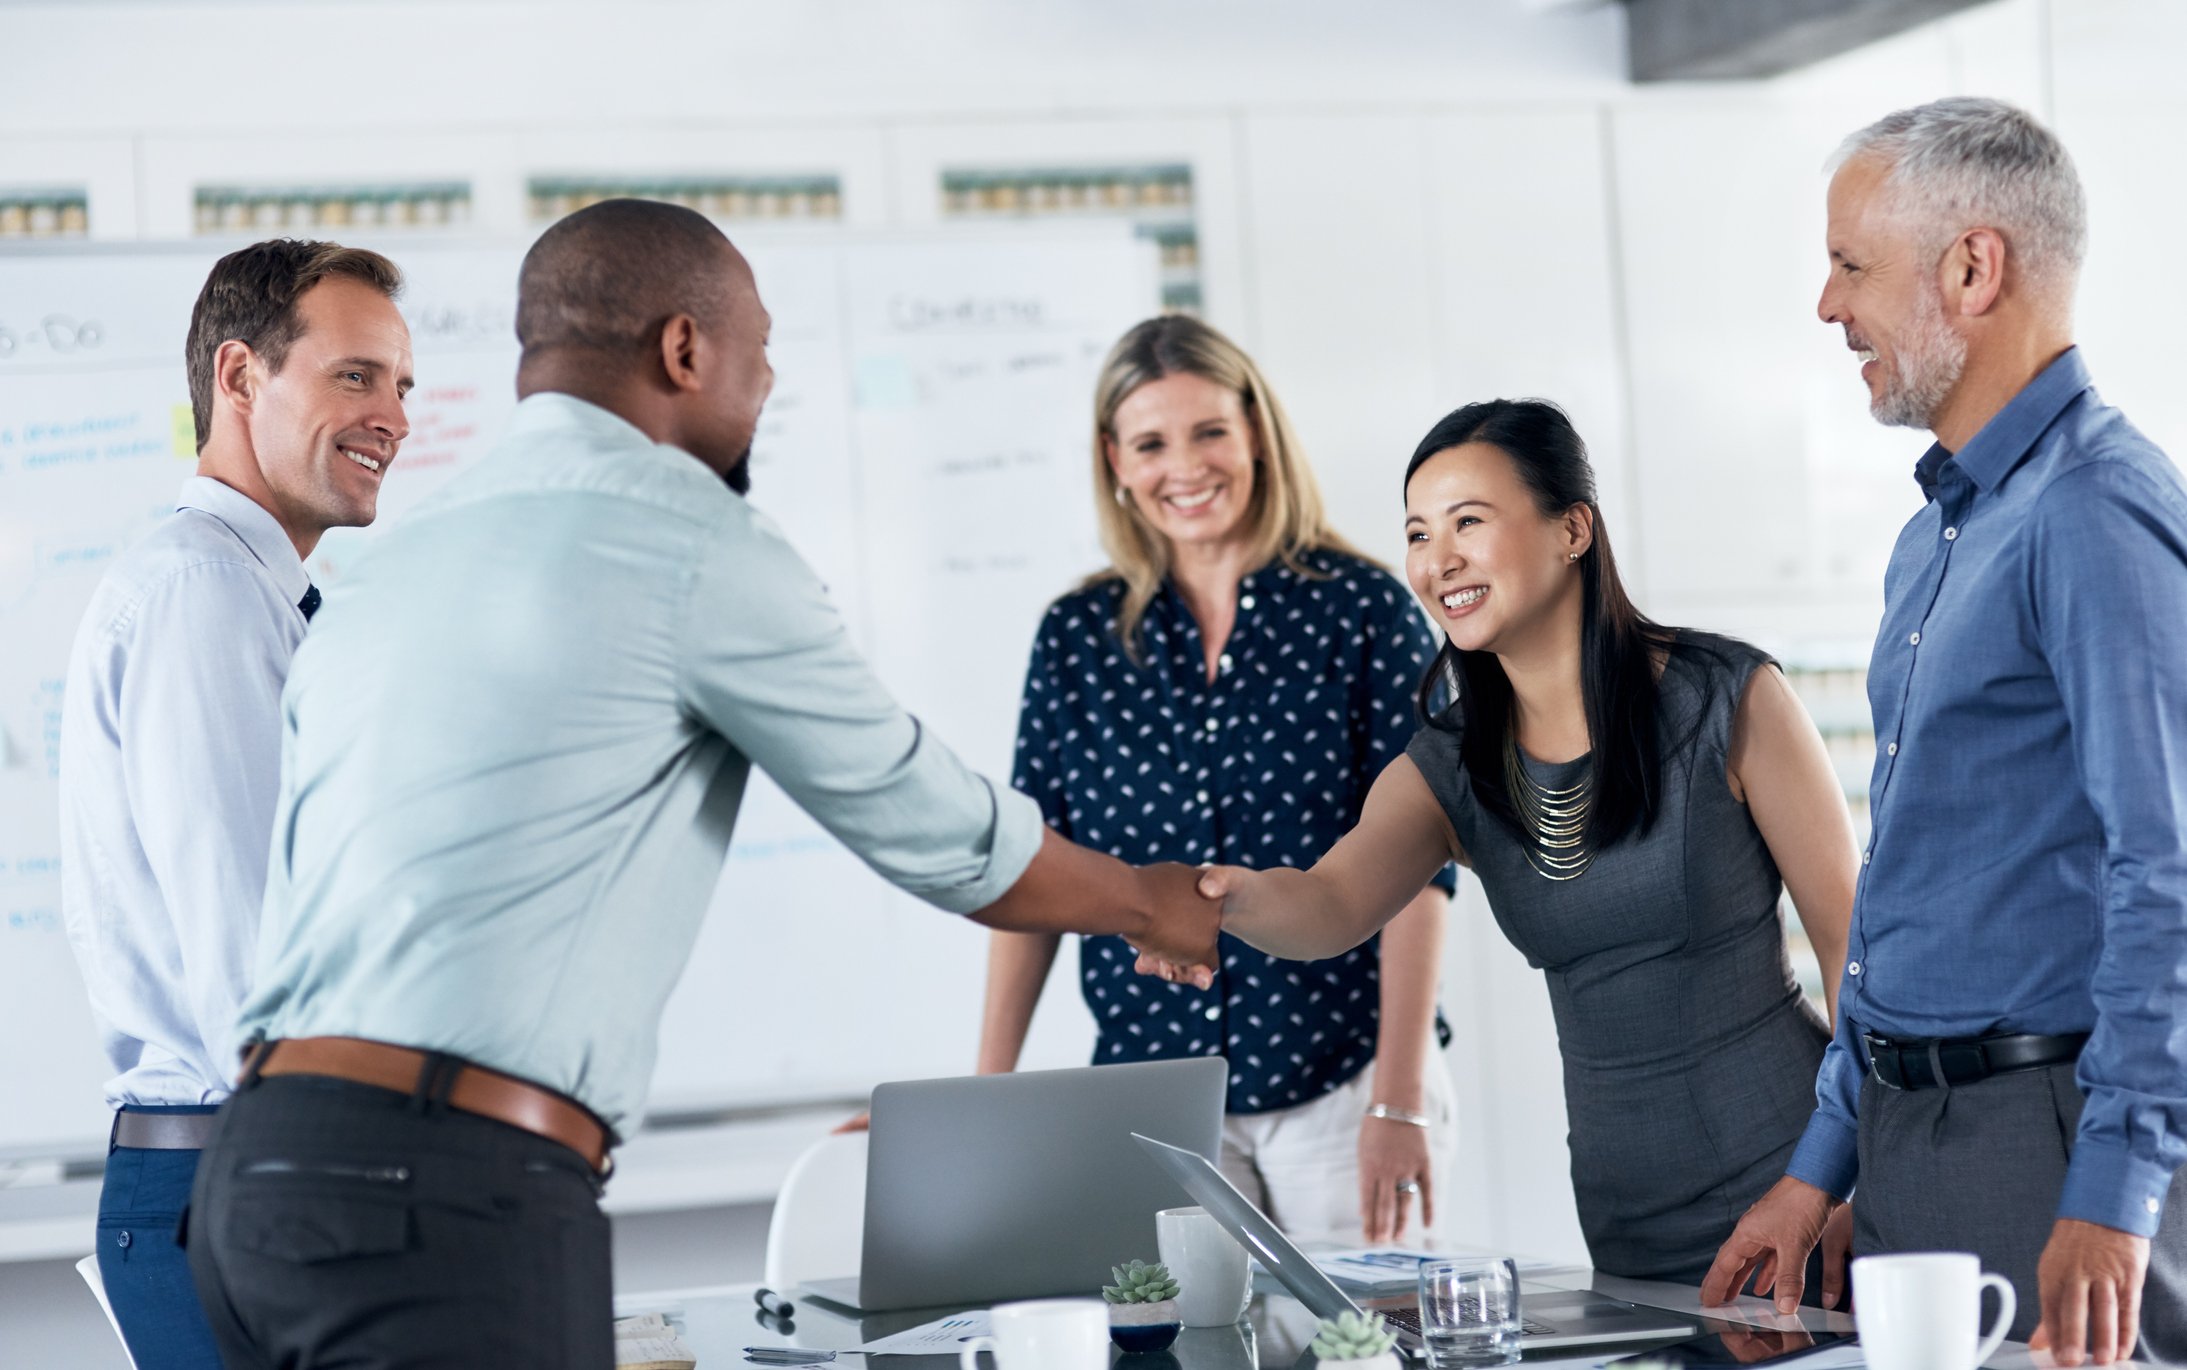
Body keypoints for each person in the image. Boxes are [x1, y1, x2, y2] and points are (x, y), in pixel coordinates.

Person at [180, 200, 1222, 1370]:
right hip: (440, 1193)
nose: (764, 385)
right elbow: (942, 833)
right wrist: (1150, 900)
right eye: (761, 352)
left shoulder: (400, 558)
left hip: (251, 1182)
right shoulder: (683, 535)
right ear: (685, 349)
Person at [1149, 397, 1858, 1290]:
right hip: (1623, 1211)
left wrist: (1838, 1176)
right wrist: (1218, 899)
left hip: (1794, 1181)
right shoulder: (1447, 766)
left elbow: (1851, 951)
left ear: (1571, 530)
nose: (1436, 560)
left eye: (1468, 523)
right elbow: (1328, 904)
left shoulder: (1729, 698)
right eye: (1416, 533)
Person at [1700, 98, 2187, 1368]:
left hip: (2052, 1142)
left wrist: (2113, 1190)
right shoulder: (1940, 535)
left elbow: (2172, 869)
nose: (1825, 304)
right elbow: (1921, 891)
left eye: (1852, 265)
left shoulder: (2097, 512)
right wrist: (1823, 1163)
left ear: (1973, 268)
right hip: (1917, 1148)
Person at [979, 315, 1457, 1247]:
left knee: (1371, 1354)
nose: (1184, 466)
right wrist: (983, 1104)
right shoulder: (1075, 638)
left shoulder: (1359, 610)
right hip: (1153, 1099)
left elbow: (1417, 866)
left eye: (1209, 432)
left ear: (1256, 437)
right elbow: (1031, 873)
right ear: (1115, 460)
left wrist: (1397, 1103)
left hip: (1344, 1079)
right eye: (1151, 442)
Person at [55, 239, 408, 1370]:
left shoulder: (266, 594)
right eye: (356, 374)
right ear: (242, 377)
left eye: (402, 384)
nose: (392, 416)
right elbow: (255, 961)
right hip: (239, 1179)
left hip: (255, 1170)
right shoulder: (205, 590)